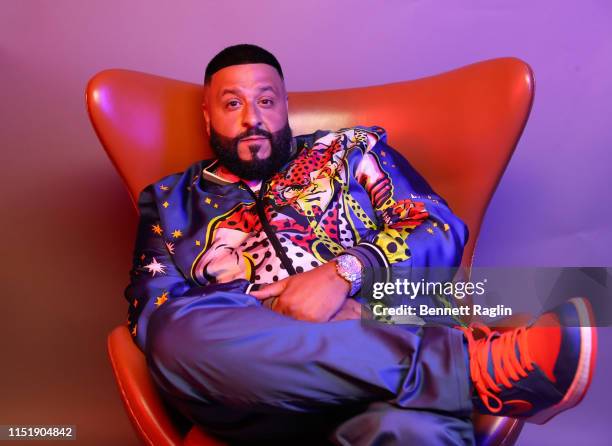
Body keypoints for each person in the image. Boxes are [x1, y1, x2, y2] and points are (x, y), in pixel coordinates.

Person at [124, 44, 598, 445]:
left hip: (385, 387)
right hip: (253, 392)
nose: (253, 119)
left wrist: (344, 277)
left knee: (412, 431)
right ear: (208, 116)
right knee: (172, 331)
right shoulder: (171, 201)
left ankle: (429, 376)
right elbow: (153, 313)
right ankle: (468, 371)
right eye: (233, 104)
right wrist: (297, 324)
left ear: (285, 105)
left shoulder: (349, 151)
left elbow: (437, 226)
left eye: (266, 101)